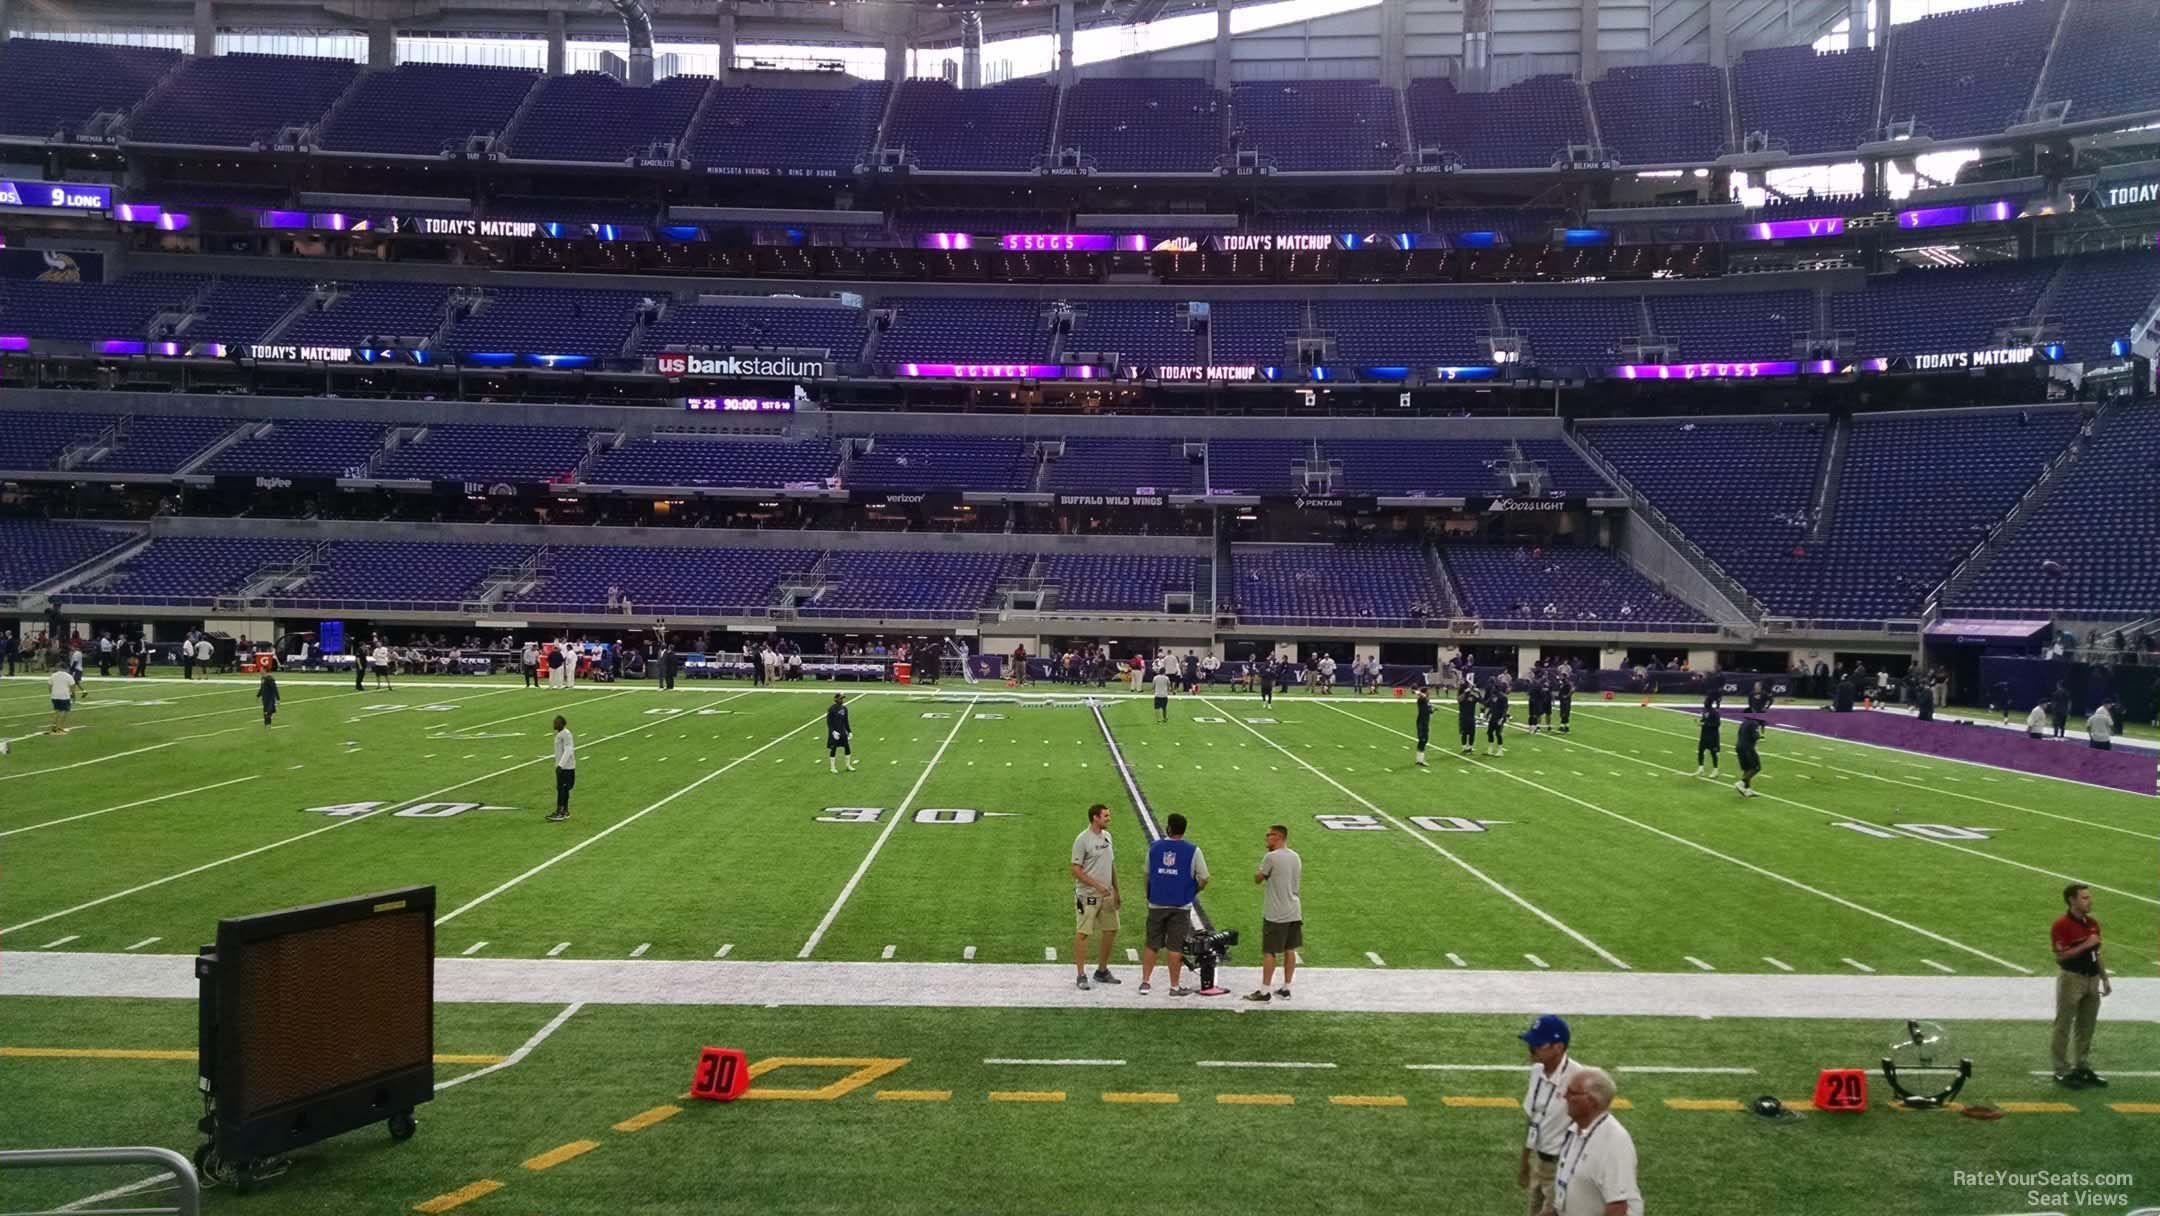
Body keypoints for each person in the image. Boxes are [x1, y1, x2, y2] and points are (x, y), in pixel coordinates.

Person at [1541, 1067, 1641, 1216]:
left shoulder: (1615, 1141)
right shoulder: (1575, 1130)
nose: (1565, 1096)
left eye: (1572, 1092)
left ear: (1591, 1101)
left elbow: (1618, 1208)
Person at [1518, 1015, 1585, 1216]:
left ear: (1558, 1047)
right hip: (1540, 1162)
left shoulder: (1578, 1078)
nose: (1532, 1048)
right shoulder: (1536, 1071)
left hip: (1562, 1168)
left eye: (1538, 1044)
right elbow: (1532, 1118)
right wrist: (1524, 1161)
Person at [1138, 812, 1208, 996]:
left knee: (1152, 944)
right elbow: (1204, 878)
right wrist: (1192, 891)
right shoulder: (1193, 850)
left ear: (1169, 827)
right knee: (1175, 947)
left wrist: (1150, 894)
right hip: (1180, 906)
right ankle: (1174, 986)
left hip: (1157, 903)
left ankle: (1145, 983)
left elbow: (1146, 874)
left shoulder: (1154, 847)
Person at [2051, 883, 2111, 1088]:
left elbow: (2096, 954)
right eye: (2084, 897)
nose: (2089, 900)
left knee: (2087, 1027)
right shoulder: (2061, 925)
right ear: (2072, 900)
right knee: (2063, 1025)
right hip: (2072, 979)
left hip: (2092, 979)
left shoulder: (2092, 923)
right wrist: (2086, 943)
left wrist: (2104, 977)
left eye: (2088, 897)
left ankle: (2082, 1066)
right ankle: (2060, 1070)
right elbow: (2061, 956)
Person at [1244, 823, 1301, 1001]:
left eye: (1269, 835)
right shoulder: (1296, 857)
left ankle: (1265, 990)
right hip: (1294, 910)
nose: (1266, 838)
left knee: (1269, 951)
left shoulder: (1271, 857)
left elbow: (1258, 878)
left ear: (1277, 837)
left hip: (1276, 913)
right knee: (1289, 949)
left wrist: (1261, 874)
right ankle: (1286, 987)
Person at [1070, 803, 1121, 990]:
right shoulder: (1082, 840)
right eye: (1105, 816)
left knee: (1111, 929)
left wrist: (1117, 890)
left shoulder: (1108, 837)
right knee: (1083, 933)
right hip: (1088, 896)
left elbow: (1111, 865)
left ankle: (1102, 970)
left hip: (1107, 895)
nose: (1109, 819)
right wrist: (1097, 886)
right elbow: (1075, 870)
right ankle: (1081, 974)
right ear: (1095, 818)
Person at [548, 715, 576, 822]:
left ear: (562, 724)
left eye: (556, 723)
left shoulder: (566, 734)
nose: (554, 724)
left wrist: (561, 765)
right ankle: (565, 811)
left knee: (562, 790)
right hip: (563, 767)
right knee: (562, 789)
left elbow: (568, 750)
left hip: (566, 768)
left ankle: (560, 812)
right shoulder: (560, 734)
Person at [1734, 712, 1764, 798]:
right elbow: (1755, 736)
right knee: (1756, 767)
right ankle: (1741, 782)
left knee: (1747, 769)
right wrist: (1760, 735)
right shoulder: (1754, 723)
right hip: (1748, 748)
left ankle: (1747, 790)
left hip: (1739, 746)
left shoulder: (1744, 722)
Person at [826, 693, 856, 773]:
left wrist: (849, 731)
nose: (842, 700)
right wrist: (833, 732)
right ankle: (832, 767)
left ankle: (848, 765)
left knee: (847, 747)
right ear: (836, 699)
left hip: (842, 731)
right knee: (833, 749)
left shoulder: (844, 709)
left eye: (842, 699)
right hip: (835, 732)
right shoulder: (831, 709)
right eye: (840, 698)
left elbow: (846, 721)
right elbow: (829, 722)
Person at [1694, 699, 1722, 778]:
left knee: (1713, 753)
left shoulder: (1715, 713)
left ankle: (1715, 770)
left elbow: (1717, 724)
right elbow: (1703, 721)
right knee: (1700, 750)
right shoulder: (1705, 711)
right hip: (1704, 735)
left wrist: (1705, 724)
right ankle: (1701, 768)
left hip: (1712, 736)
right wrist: (1699, 723)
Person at [48, 662, 76, 733]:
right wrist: (73, 695)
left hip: (54, 696)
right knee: (66, 711)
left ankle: (54, 724)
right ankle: (60, 726)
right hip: (64, 696)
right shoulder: (68, 676)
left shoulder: (53, 675)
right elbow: (72, 686)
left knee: (57, 711)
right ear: (65, 668)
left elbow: (49, 686)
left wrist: (52, 694)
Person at [1485, 678, 1510, 757]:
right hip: (1493, 716)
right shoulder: (1493, 696)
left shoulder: (1503, 697)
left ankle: (1500, 750)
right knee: (1489, 732)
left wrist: (1502, 718)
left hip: (1499, 717)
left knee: (1498, 733)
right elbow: (1491, 706)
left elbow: (1505, 709)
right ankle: (1490, 749)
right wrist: (1487, 714)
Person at [1413, 686, 1434, 767]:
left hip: (1426, 722)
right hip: (1421, 722)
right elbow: (1419, 695)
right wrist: (1417, 692)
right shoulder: (1421, 699)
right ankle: (1420, 760)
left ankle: (1419, 760)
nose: (1429, 692)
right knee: (1422, 740)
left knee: (1424, 741)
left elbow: (1429, 710)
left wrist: (1432, 710)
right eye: (1428, 691)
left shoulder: (1427, 700)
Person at [1458, 681, 1481, 755]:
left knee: (1472, 733)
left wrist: (1478, 692)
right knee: (1464, 733)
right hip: (1463, 717)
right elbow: (1459, 699)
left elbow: (1481, 701)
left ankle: (1470, 747)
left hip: (1471, 717)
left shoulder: (1472, 696)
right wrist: (1465, 692)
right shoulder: (1462, 695)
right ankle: (1464, 747)